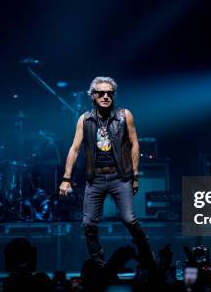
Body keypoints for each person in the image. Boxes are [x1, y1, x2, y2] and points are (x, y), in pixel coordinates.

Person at [59, 76, 154, 267]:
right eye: (101, 93)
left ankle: (148, 257)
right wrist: (66, 178)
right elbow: (75, 149)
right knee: (88, 224)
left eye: (109, 93)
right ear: (93, 96)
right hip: (95, 178)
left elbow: (135, 144)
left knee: (129, 219)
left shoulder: (124, 115)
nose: (105, 96)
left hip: (120, 177)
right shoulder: (85, 119)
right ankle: (99, 265)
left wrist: (135, 176)